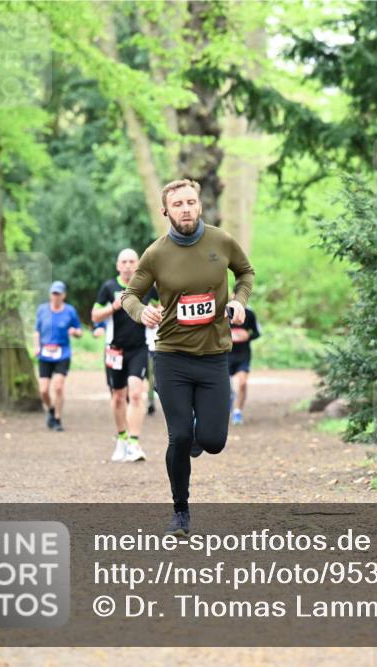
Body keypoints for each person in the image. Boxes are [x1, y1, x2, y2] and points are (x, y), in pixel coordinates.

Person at [121, 179, 254, 537]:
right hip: (171, 358)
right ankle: (180, 511)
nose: (185, 209)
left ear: (199, 206)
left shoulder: (220, 241)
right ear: (166, 210)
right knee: (178, 437)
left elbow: (245, 272)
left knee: (212, 441)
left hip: (213, 356)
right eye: (177, 203)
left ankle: (199, 436)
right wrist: (140, 312)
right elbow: (129, 295)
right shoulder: (155, 254)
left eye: (191, 202)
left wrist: (239, 301)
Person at [92, 249, 159, 463]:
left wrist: (154, 314)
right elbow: (94, 315)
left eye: (132, 261)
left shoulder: (148, 287)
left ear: (138, 264)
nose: (128, 265)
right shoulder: (109, 287)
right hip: (115, 349)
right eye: (124, 261)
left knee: (137, 393)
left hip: (140, 347)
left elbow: (162, 310)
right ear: (118, 265)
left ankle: (134, 442)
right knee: (118, 397)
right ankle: (121, 438)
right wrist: (113, 306)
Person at [34, 281, 82, 432]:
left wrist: (75, 332)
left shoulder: (70, 311)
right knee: (43, 390)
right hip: (45, 354)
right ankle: (51, 409)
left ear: (64, 295)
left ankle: (58, 418)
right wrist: (36, 347)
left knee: (58, 387)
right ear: (50, 295)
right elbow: (37, 331)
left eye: (58, 294)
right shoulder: (42, 310)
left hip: (63, 353)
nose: (56, 296)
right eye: (53, 293)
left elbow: (79, 331)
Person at [228, 305, 261, 425]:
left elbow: (258, 332)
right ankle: (229, 402)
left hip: (243, 355)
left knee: (242, 383)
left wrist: (247, 336)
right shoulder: (225, 311)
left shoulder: (250, 313)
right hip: (226, 355)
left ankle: (237, 412)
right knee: (226, 387)